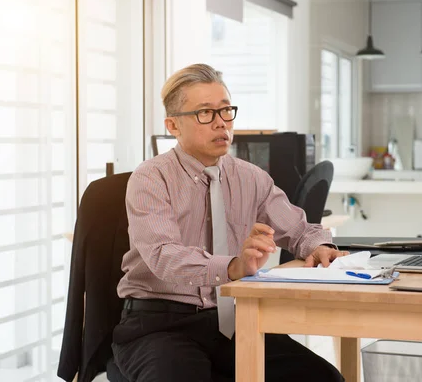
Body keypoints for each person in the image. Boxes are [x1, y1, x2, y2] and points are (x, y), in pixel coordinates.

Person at [112, 63, 346, 382]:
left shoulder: (250, 177)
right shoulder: (151, 178)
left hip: (235, 322)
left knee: (322, 378)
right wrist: (233, 267)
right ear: (173, 125)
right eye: (205, 113)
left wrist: (319, 246)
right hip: (160, 325)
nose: (221, 123)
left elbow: (299, 229)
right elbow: (162, 255)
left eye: (226, 110)